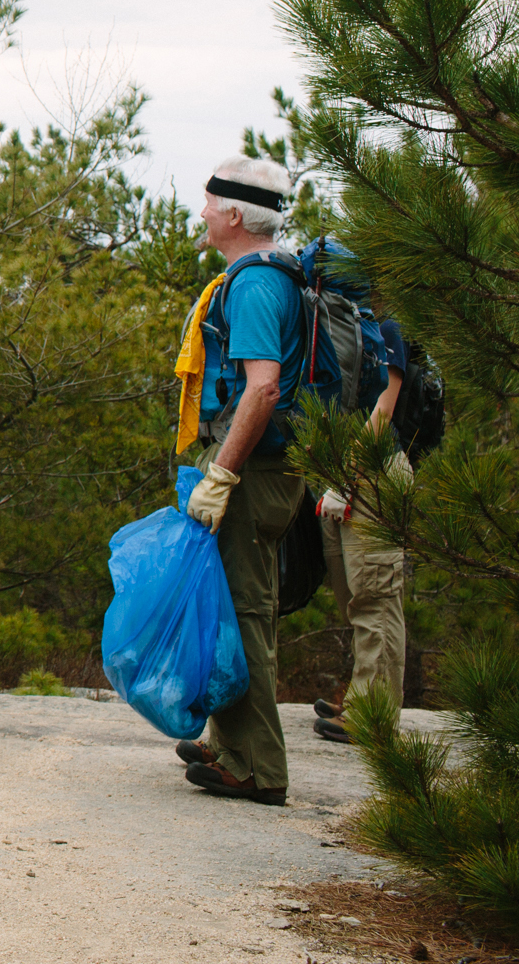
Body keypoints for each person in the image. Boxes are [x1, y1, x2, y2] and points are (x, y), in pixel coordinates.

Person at [170, 155, 306, 807]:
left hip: (252, 469)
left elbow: (263, 388)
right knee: (230, 599)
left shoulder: (254, 285)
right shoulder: (272, 275)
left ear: (232, 214)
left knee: (245, 605)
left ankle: (257, 766)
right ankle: (229, 741)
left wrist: (221, 475)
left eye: (207, 204)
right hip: (254, 466)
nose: (201, 214)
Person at [312, 315, 411, 742]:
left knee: (375, 596)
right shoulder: (351, 331)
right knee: (354, 593)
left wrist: (347, 477)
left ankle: (374, 713)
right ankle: (362, 695)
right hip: (349, 474)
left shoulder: (387, 330)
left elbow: (386, 405)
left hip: (374, 471)